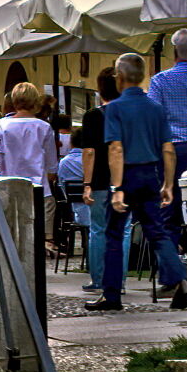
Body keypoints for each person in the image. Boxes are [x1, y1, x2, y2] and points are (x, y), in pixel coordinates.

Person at [89, 54, 187, 312]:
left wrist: (117, 188)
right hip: (151, 174)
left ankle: (111, 295)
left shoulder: (116, 108)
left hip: (128, 174)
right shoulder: (155, 108)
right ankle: (178, 277)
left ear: (119, 78)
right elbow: (168, 148)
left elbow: (116, 149)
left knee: (113, 233)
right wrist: (168, 183)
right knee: (157, 231)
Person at [149, 28, 187, 243]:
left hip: (171, 149)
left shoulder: (160, 80)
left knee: (168, 207)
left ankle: (170, 263)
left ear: (174, 50)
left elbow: (154, 116)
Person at [71, 70, 120, 297]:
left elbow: (89, 152)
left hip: (99, 179)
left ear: (100, 89)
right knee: (123, 231)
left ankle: (98, 279)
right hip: (123, 180)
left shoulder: (93, 116)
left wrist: (87, 183)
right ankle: (118, 281)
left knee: (98, 229)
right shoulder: (127, 113)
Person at [0, 84, 58, 193]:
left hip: (8, 191)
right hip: (39, 191)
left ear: (14, 100)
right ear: (35, 101)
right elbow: (52, 168)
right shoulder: (44, 128)